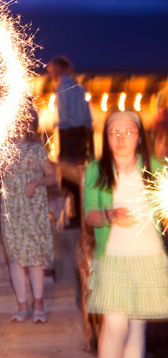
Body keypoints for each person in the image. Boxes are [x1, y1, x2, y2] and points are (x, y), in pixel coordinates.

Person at [83, 110, 168, 358]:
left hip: (150, 258)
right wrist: (109, 215)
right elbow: (90, 215)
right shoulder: (96, 170)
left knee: (137, 328)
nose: (121, 137)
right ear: (106, 137)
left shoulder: (156, 167)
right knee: (115, 325)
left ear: (139, 136)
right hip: (112, 259)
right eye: (114, 132)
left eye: (128, 132)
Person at [0, 104, 57, 323]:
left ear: (29, 123)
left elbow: (53, 177)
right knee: (15, 257)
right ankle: (22, 306)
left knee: (35, 257)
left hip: (34, 209)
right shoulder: (1, 151)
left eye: (23, 119)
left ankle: (38, 305)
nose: (18, 123)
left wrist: (38, 180)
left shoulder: (37, 149)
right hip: (12, 209)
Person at [47, 56, 93, 225]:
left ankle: (69, 215)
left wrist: (58, 127)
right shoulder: (80, 87)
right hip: (80, 135)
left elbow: (64, 115)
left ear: (59, 68)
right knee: (78, 173)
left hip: (69, 134)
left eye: (52, 69)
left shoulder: (63, 87)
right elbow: (88, 117)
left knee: (67, 174)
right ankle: (77, 213)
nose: (50, 72)